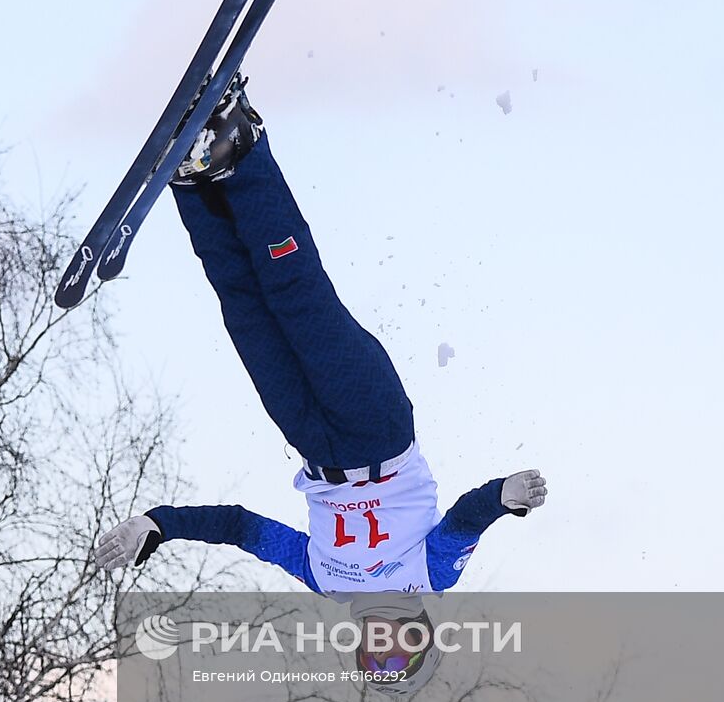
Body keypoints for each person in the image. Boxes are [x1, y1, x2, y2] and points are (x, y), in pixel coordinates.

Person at [95, 74, 548, 595]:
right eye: (402, 653)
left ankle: (192, 179)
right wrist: (499, 498)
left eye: (376, 660)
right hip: (376, 427)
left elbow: (246, 530)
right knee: (295, 294)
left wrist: (161, 524)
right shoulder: (431, 577)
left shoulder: (326, 582)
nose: (386, 644)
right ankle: (241, 143)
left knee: (246, 311)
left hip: (312, 442)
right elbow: (464, 521)